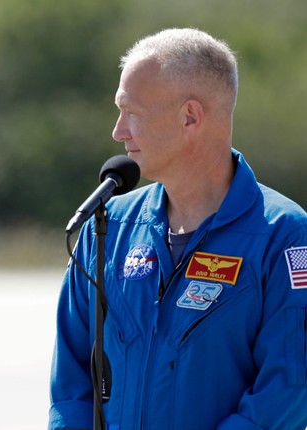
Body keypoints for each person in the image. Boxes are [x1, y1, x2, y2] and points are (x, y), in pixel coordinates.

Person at [49, 28, 307, 429]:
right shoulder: (109, 225)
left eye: (132, 113)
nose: (118, 131)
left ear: (190, 117)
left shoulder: (284, 235)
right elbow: (70, 385)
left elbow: (287, 390)